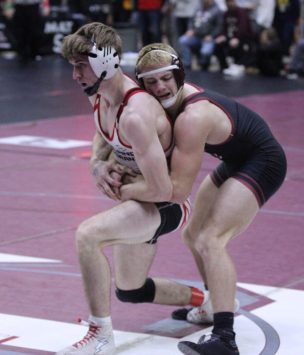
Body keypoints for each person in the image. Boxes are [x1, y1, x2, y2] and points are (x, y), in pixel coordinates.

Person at [57, 22, 222, 355]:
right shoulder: (100, 94)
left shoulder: (136, 113)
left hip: (166, 203)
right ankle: (206, 302)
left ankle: (100, 334)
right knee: (130, 289)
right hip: (143, 201)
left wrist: (122, 188)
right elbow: (103, 137)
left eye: (80, 66)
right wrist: (98, 166)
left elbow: (163, 189)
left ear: (104, 62)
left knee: (88, 235)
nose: (74, 75)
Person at [121, 43, 287, 355]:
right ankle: (214, 306)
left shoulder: (193, 116)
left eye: (166, 78)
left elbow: (178, 189)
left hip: (264, 161)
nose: (160, 87)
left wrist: (126, 189)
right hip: (237, 159)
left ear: (178, 75)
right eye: (151, 82)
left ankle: (225, 338)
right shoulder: (171, 104)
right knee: (192, 234)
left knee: (211, 239)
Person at [178, 0, 224, 71]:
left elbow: (219, 26)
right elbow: (191, 20)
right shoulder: (199, 7)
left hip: (208, 37)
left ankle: (204, 67)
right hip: (196, 36)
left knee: (205, 51)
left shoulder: (217, 10)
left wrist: (212, 36)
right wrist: (190, 29)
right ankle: (187, 63)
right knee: (183, 40)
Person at [214, 0, 255, 75]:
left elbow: (243, 28)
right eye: (228, 2)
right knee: (218, 45)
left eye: (231, 1)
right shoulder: (226, 14)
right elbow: (225, 29)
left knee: (237, 44)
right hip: (231, 37)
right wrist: (223, 36)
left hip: (244, 38)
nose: (230, 3)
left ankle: (238, 66)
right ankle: (224, 67)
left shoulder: (241, 12)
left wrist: (237, 38)